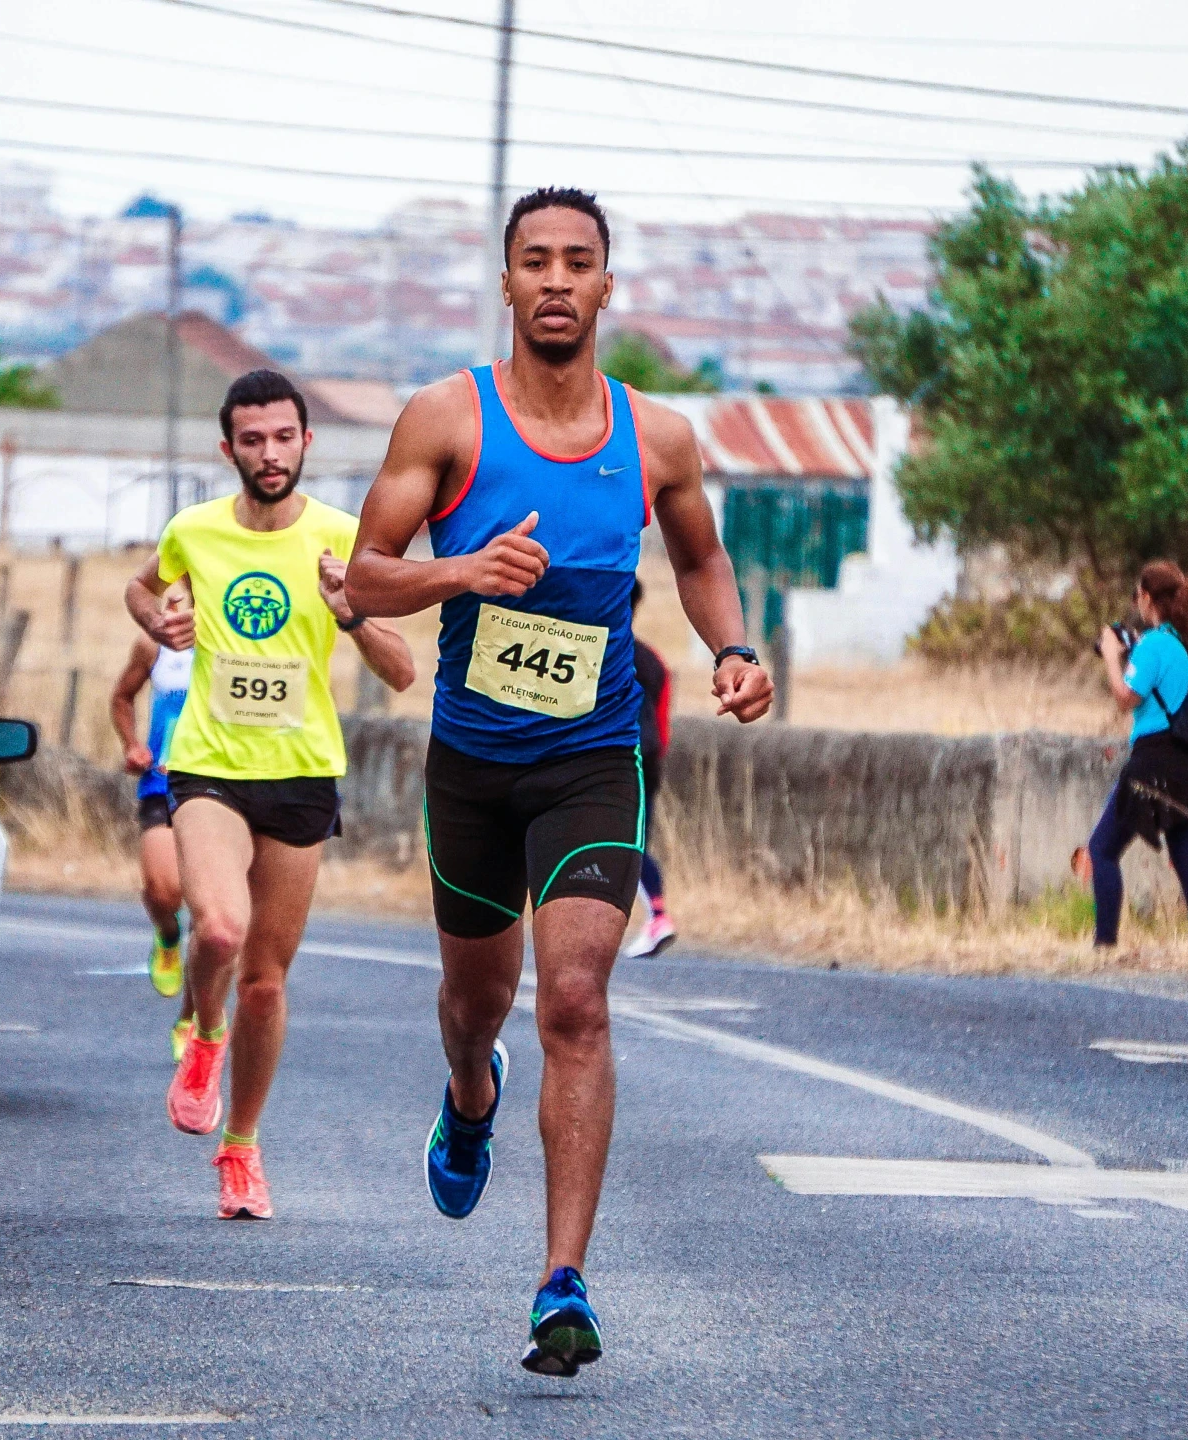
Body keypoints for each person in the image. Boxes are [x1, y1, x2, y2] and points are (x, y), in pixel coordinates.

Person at [346, 187, 774, 1376]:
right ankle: (470, 1099)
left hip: (593, 759)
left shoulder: (661, 438)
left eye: (575, 263)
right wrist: (463, 572)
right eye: (532, 261)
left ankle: (561, 1283)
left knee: (576, 1000)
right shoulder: (446, 420)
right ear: (505, 283)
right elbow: (363, 580)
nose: (553, 281)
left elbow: (701, 560)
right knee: (476, 1007)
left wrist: (733, 650)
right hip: (475, 765)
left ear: (604, 287)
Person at [124, 368, 416, 1220]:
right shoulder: (195, 531)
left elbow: (401, 671)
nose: (269, 453)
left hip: (301, 773)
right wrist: (158, 622)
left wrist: (352, 612)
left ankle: (241, 1148)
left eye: (283, 437)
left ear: (305, 443)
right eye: (252, 440)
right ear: (229, 449)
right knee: (218, 926)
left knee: (266, 980)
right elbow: (141, 587)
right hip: (209, 764)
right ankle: (202, 1034)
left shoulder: (342, 536)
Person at [1088, 560, 1188, 948]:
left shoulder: (1154, 644)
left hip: (1155, 762)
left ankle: (1104, 945)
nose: (1135, 601)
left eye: (1137, 594)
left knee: (1102, 849)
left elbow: (1125, 698)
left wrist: (1110, 654)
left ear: (1148, 598)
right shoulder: (1182, 644)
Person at [110, 609, 200, 1056]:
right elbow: (122, 697)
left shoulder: (247, 643)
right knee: (163, 891)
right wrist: (132, 745)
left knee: (212, 916)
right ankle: (167, 935)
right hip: (161, 785)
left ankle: (192, 1020)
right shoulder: (155, 643)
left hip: (220, 785)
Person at [623, 581, 674, 958]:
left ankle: (657, 915)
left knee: (628, 844)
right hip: (651, 756)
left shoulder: (600, 651)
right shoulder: (653, 659)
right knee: (634, 840)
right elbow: (662, 719)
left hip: (618, 756)